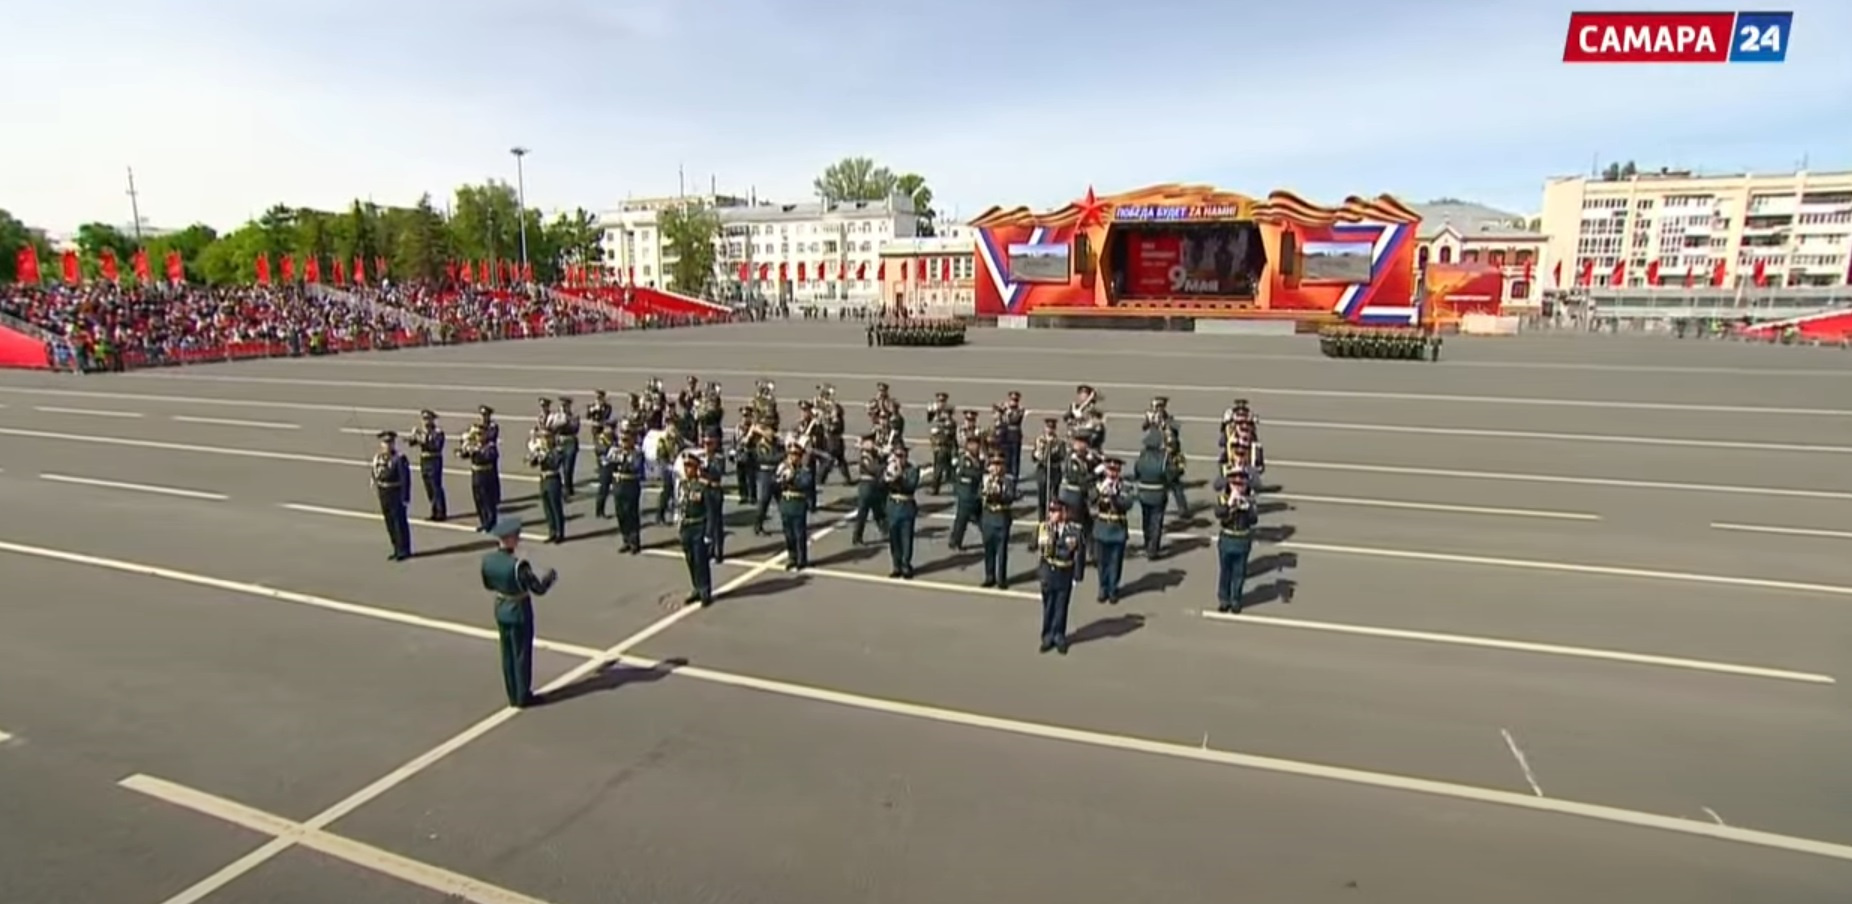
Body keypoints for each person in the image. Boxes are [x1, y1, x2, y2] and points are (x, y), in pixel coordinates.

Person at [480, 516, 557, 708]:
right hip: (519, 610)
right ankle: (523, 695)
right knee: (521, 653)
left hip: (501, 608)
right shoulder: (518, 566)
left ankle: (512, 693)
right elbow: (537, 589)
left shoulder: (488, 561)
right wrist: (549, 578)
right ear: (511, 539)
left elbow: (488, 585)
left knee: (506, 653)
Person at [1037, 501, 1082, 654]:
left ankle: (1059, 635)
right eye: (1050, 511)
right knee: (1048, 605)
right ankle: (1047, 636)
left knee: (1061, 606)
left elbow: (1076, 550)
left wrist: (1078, 574)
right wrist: (1042, 534)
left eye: (1055, 511)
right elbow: (1036, 548)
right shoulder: (1045, 527)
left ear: (1063, 512)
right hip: (1049, 571)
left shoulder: (1073, 530)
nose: (1051, 514)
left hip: (1064, 571)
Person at [1211, 469, 1259, 613]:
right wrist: (1230, 504)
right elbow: (1219, 514)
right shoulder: (1223, 498)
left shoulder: (1250, 499)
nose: (1238, 487)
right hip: (1227, 539)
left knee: (1239, 573)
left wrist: (1247, 507)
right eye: (1234, 484)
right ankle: (1224, 599)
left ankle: (1236, 599)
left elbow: (1254, 520)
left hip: (1242, 540)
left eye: (1241, 484)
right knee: (1225, 572)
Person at [1091, 458, 1132, 604]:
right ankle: (1103, 587)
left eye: (1115, 470)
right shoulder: (1099, 485)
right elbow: (1090, 499)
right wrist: (1100, 490)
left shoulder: (1125, 486)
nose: (1112, 473)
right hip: (1102, 527)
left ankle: (1113, 588)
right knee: (1102, 561)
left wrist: (1114, 495)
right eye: (1110, 470)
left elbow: (1127, 504)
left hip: (1117, 528)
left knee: (1115, 562)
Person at [675, 455, 715, 605]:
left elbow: (710, 511)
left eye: (690, 466)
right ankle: (696, 587)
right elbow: (680, 506)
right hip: (686, 526)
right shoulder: (683, 485)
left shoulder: (702, 487)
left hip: (699, 526)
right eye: (685, 467)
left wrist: (708, 533)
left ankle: (705, 590)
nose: (687, 470)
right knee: (690, 559)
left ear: (697, 468)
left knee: (700, 560)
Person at [978, 453, 1019, 589]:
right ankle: (989, 576)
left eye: (999, 465)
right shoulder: (985, 479)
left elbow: (1011, 497)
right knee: (988, 549)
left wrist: (1000, 492)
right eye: (993, 465)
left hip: (1001, 517)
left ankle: (1002, 578)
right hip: (988, 516)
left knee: (1002, 551)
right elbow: (978, 494)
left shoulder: (1008, 480)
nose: (996, 469)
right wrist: (986, 492)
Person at [372, 430, 413, 561]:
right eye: (385, 443)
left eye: (390, 443)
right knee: (389, 522)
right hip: (384, 493)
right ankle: (395, 547)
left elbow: (405, 479)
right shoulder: (378, 458)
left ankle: (404, 549)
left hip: (395, 492)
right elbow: (376, 473)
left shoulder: (399, 459)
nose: (387, 446)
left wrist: (405, 497)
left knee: (399, 522)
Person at [774, 443, 815, 570]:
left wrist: (793, 478)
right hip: (786, 503)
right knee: (788, 534)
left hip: (798, 503)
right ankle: (792, 557)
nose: (793, 457)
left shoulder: (804, 470)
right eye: (791, 454)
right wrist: (780, 479)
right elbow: (774, 484)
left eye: (796, 455)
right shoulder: (783, 468)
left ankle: (801, 560)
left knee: (799, 534)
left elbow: (806, 483)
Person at [1132, 427, 1171, 558]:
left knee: (1146, 520)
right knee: (1156, 521)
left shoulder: (1142, 455)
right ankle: (1153, 548)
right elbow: (1169, 475)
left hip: (1143, 492)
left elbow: (1136, 471)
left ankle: (1147, 542)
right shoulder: (1164, 457)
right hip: (1158, 492)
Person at [883, 444, 921, 579]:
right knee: (894, 538)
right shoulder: (890, 468)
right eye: (896, 455)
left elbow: (910, 486)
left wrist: (899, 477)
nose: (899, 459)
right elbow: (883, 484)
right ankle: (896, 565)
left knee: (906, 539)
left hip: (906, 506)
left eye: (901, 456)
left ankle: (906, 565)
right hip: (893, 505)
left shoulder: (912, 470)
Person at [461, 407, 502, 533]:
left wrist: (477, 449)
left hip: (487, 472)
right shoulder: (475, 443)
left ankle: (491, 522)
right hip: (476, 473)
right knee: (478, 498)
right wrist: (466, 447)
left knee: (488, 498)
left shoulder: (490, 440)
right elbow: (464, 454)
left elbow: (490, 453)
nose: (478, 436)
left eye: (480, 434)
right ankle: (484, 521)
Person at [608, 431, 647, 553]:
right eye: (622, 440)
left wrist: (624, 460)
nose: (623, 443)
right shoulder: (615, 451)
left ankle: (634, 541)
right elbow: (608, 463)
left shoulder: (636, 452)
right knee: (621, 513)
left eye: (626, 440)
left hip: (630, 484)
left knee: (631, 513)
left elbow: (634, 466)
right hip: (619, 484)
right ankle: (625, 539)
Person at [407, 409, 448, 521]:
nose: (425, 422)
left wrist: (422, 438)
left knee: (436, 485)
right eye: (424, 419)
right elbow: (411, 443)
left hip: (434, 459)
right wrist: (413, 436)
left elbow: (435, 445)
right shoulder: (421, 432)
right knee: (428, 486)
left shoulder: (438, 432)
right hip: (424, 459)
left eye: (427, 419)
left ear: (432, 420)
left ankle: (441, 511)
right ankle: (434, 510)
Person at [850, 433, 888, 546]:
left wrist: (885, 455)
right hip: (866, 485)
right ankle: (857, 537)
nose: (874, 444)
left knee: (878, 510)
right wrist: (885, 466)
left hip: (874, 485)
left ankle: (886, 531)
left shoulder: (874, 454)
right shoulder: (865, 455)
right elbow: (873, 468)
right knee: (863, 513)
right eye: (872, 442)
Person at [529, 429, 567, 543]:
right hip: (544, 479)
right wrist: (535, 455)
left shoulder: (557, 451)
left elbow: (555, 463)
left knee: (556, 507)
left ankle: (560, 533)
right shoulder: (542, 450)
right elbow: (532, 464)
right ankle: (552, 531)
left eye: (546, 438)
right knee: (547, 507)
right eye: (542, 438)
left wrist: (545, 455)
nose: (544, 440)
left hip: (553, 479)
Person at [699, 433, 728, 562]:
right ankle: (709, 550)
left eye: (709, 444)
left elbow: (718, 472)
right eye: (705, 444)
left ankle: (718, 551)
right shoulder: (701, 457)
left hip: (715, 490)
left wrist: (708, 463)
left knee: (716, 521)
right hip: (704, 490)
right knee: (706, 521)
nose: (706, 447)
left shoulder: (719, 458)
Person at [1030, 417, 1063, 523]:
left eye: (1052, 428)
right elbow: (1033, 457)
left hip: (1054, 470)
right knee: (1042, 497)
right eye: (1048, 427)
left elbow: (1063, 456)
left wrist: (1054, 453)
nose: (1050, 430)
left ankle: (1052, 519)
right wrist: (1036, 455)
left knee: (1053, 497)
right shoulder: (1039, 440)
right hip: (1042, 470)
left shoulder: (1059, 442)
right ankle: (1042, 521)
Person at [554, 396, 582, 497]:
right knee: (557, 466)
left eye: (566, 406)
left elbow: (575, 429)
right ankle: (564, 487)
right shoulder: (558, 416)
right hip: (560, 442)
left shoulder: (574, 417)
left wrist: (565, 422)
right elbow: (553, 427)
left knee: (568, 468)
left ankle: (568, 488)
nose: (564, 408)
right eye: (562, 406)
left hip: (570, 443)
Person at [592, 423, 618, 519]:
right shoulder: (600, 438)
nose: (611, 430)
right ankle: (599, 510)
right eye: (609, 428)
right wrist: (610, 449)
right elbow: (599, 449)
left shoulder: (614, 437)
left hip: (614, 464)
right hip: (605, 465)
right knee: (603, 489)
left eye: (612, 428)